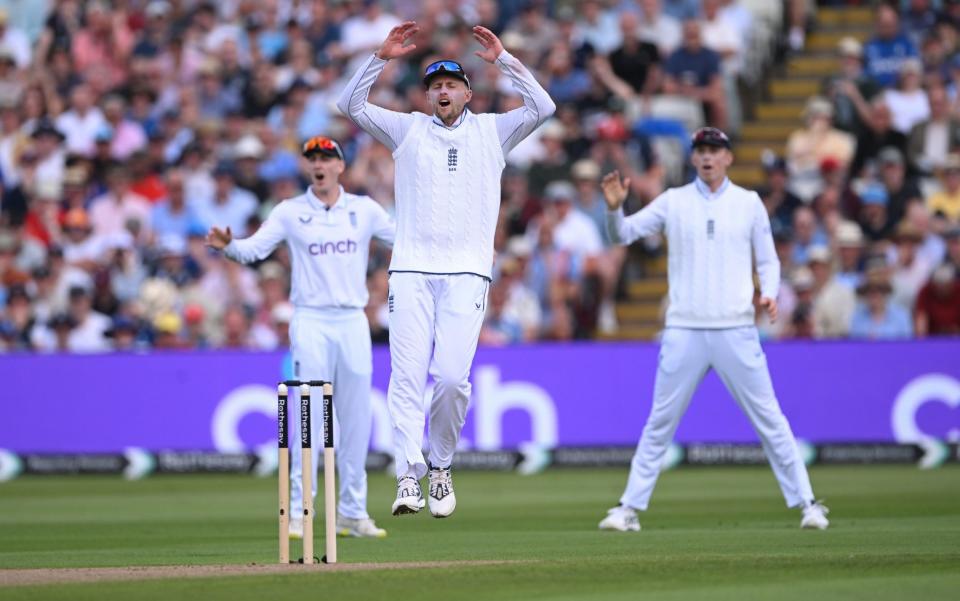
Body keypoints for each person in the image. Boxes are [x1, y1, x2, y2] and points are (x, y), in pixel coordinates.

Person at [337, 22, 555, 517]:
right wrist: (380, 56)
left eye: (452, 84)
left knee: (454, 379)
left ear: (468, 92)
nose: (442, 90)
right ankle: (409, 475)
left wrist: (505, 59)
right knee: (407, 378)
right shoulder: (406, 127)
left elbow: (544, 107)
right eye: (435, 84)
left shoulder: (493, 130)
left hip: (467, 274)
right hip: (411, 270)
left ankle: (440, 466)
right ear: (427, 93)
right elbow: (348, 107)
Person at [596, 127, 829, 532]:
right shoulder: (674, 201)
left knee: (770, 419)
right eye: (701, 150)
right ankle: (626, 510)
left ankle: (809, 504)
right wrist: (615, 209)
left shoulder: (748, 203)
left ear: (728, 158)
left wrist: (770, 294)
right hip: (684, 329)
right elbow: (624, 233)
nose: (707, 157)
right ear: (693, 159)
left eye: (714, 151)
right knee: (659, 423)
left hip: (735, 328)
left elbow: (769, 261)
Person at [205, 135, 395, 539]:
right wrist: (229, 246)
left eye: (327, 158)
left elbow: (409, 242)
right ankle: (298, 511)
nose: (320, 165)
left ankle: (352, 512)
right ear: (308, 168)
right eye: (313, 159)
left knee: (357, 420)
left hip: (353, 320)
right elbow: (253, 250)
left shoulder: (364, 210)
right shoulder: (290, 212)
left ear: (341, 166)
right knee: (309, 416)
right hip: (310, 319)